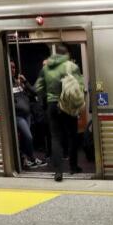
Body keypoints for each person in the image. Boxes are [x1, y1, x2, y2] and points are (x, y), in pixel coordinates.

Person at [34, 47, 84, 181]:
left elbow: (38, 87)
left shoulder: (46, 68)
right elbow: (80, 86)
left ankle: (58, 172)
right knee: (72, 136)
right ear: (66, 54)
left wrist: (45, 100)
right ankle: (73, 167)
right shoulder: (72, 66)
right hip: (67, 104)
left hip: (52, 105)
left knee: (56, 138)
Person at [10, 61, 41, 169]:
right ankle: (30, 157)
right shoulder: (6, 84)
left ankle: (26, 159)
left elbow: (34, 92)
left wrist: (25, 82)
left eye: (14, 67)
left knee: (24, 138)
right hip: (18, 116)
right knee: (28, 137)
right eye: (10, 67)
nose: (13, 70)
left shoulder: (18, 82)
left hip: (27, 115)